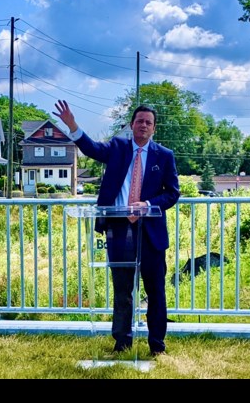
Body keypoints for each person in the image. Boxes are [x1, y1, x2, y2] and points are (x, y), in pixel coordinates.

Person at [53, 99, 180, 356]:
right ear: (131, 124)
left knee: (155, 290)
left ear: (154, 128)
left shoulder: (164, 156)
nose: (143, 125)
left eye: (148, 122)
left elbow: (172, 193)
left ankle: (157, 346)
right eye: (139, 121)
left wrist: (147, 204)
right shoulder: (118, 147)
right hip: (119, 229)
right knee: (123, 291)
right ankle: (122, 343)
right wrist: (72, 126)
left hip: (150, 232)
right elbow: (91, 149)